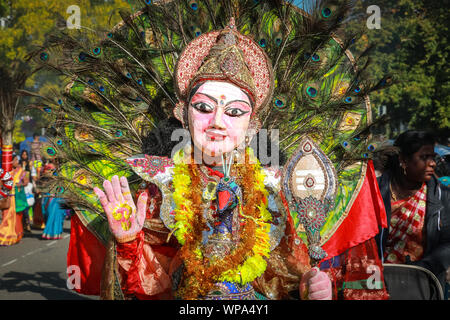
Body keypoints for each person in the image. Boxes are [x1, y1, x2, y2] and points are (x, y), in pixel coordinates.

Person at [35, 0, 391, 300]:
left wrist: (312, 287)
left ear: (252, 124)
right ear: (182, 113)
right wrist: (129, 241)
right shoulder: (160, 187)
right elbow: (147, 287)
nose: (218, 122)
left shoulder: (277, 187)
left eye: (234, 112)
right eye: (204, 107)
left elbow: (284, 278)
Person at [375, 131, 450, 291]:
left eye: (433, 157)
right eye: (424, 158)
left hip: (423, 284)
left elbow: (447, 243)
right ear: (403, 160)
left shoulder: (442, 196)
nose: (433, 164)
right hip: (376, 282)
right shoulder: (375, 191)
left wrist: (422, 269)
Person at [0, 154, 26, 245]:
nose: (17, 162)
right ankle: (5, 236)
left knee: (15, 217)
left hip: (15, 198)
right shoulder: (5, 171)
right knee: (6, 217)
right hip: (6, 198)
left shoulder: (20, 171)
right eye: (15, 160)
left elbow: (25, 182)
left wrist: (20, 185)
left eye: (17, 160)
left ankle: (12, 236)